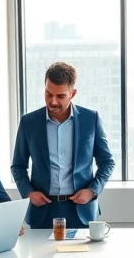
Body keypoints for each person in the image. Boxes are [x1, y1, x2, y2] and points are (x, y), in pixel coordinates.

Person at [11, 61, 115, 229]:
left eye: (60, 96)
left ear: (72, 93)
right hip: (42, 210)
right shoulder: (28, 122)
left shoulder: (91, 119)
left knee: (82, 257)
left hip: (81, 210)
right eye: (48, 94)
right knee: (38, 256)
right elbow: (18, 165)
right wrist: (28, 193)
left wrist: (92, 191)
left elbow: (107, 162)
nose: (52, 101)